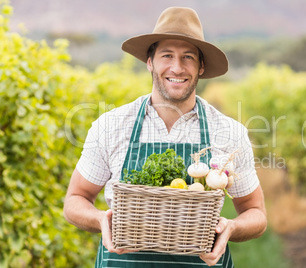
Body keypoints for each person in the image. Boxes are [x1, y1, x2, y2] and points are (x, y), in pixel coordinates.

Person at [63, 6, 267, 267]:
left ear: (201, 66)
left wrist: (230, 228)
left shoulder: (228, 132)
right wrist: (101, 219)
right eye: (167, 55)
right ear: (150, 62)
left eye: (188, 57)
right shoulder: (111, 125)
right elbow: (76, 198)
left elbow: (256, 213)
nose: (177, 67)